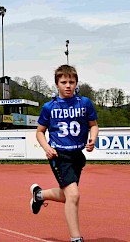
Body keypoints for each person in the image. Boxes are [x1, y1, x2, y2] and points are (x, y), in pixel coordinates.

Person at [30, 65, 99, 242]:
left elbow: (93, 125)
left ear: (76, 83)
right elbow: (39, 132)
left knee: (68, 195)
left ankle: (39, 195)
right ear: (57, 84)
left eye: (71, 82)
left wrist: (93, 138)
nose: (68, 85)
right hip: (59, 156)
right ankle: (76, 238)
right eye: (63, 82)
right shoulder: (49, 107)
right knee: (74, 195)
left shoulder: (84, 103)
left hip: (77, 156)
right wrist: (47, 147)